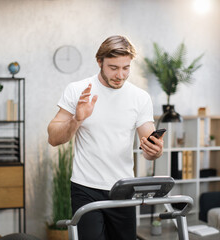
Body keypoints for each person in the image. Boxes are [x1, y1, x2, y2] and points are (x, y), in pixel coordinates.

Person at [47, 35, 164, 240]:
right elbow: (53, 138)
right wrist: (77, 119)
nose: (120, 75)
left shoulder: (140, 97)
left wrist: (154, 151)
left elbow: (149, 144)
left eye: (125, 68)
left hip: (123, 189)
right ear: (99, 62)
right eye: (113, 67)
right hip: (85, 188)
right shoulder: (78, 90)